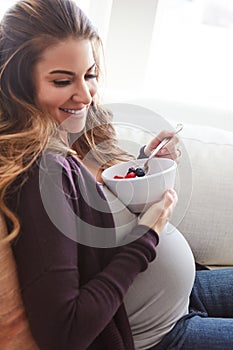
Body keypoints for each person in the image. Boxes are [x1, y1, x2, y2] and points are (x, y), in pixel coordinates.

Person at [0, 1, 233, 350]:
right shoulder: (40, 174)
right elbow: (66, 331)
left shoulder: (67, 138)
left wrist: (146, 167)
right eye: (62, 80)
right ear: (19, 84)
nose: (85, 94)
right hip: (161, 336)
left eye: (90, 75)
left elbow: (95, 223)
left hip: (184, 295)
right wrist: (147, 235)